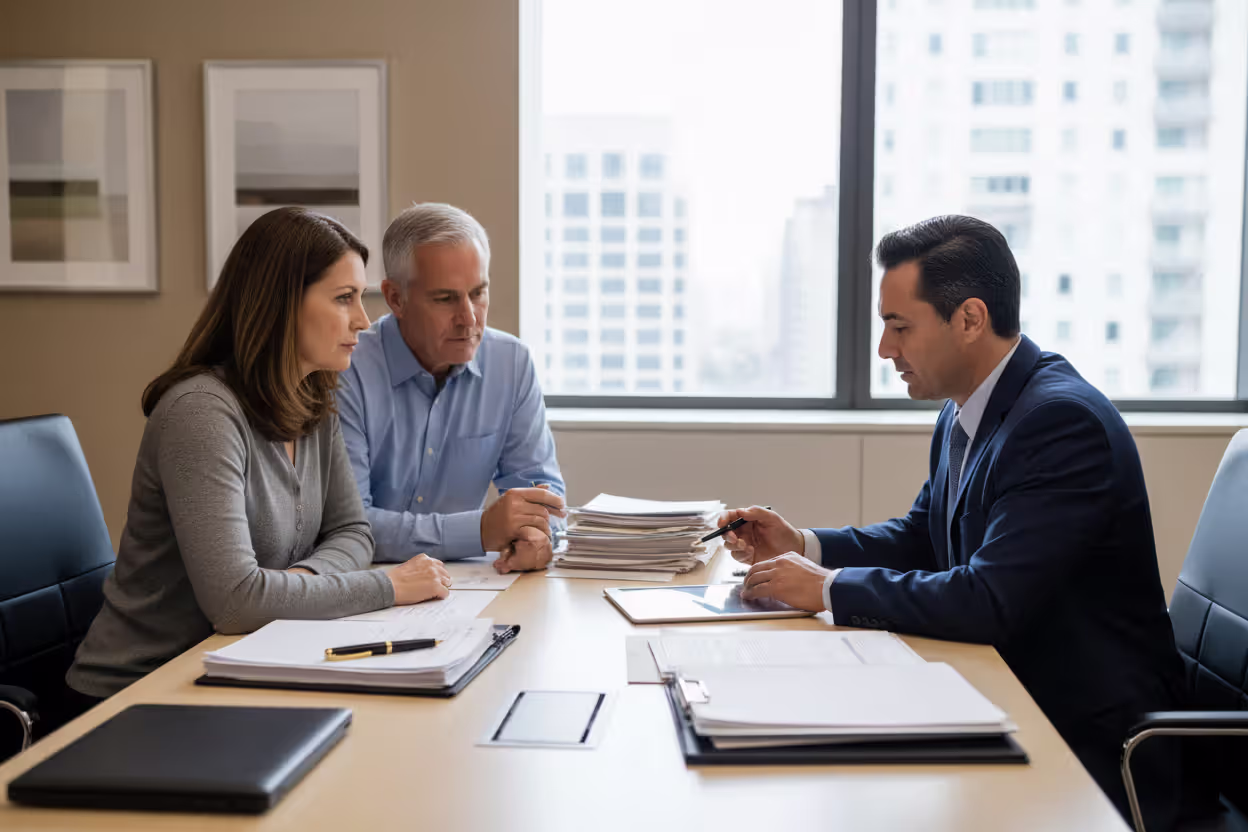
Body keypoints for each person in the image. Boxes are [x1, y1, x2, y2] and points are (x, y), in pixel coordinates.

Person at [722, 215, 1187, 828]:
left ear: (969, 319)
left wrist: (827, 590)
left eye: (898, 327)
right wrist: (805, 545)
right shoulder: (969, 408)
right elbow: (925, 536)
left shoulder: (1059, 424)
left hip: (1090, 752)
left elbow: (988, 597)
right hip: (1010, 701)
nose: (885, 349)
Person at [68, 208, 453, 700]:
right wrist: (389, 587)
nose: (363, 319)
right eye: (344, 299)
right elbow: (236, 603)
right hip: (136, 693)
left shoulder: (314, 398)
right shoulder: (201, 413)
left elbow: (354, 532)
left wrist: (298, 582)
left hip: (243, 666)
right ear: (281, 304)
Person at [338, 203, 565, 572]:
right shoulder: (348, 370)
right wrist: (478, 530)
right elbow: (351, 525)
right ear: (396, 298)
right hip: (369, 585)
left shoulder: (512, 363)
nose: (469, 318)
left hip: (471, 588)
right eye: (445, 299)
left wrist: (539, 537)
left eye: (478, 293)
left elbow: (543, 494)